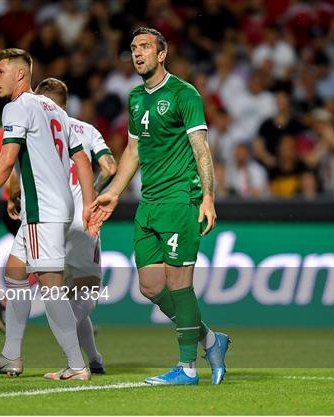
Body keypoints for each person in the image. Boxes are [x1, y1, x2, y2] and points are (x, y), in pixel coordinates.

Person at [88, 27, 231, 385]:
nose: (138, 53)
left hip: (180, 199)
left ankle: (186, 368)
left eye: (145, 47)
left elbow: (201, 149)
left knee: (179, 283)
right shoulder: (136, 98)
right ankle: (211, 340)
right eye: (134, 47)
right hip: (148, 202)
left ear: (162, 54)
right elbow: (133, 152)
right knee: (150, 286)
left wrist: (209, 196)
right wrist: (116, 192)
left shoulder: (185, 94)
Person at [0, 48, 95, 381]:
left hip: (44, 210)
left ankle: (77, 365)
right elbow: (81, 159)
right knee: (14, 272)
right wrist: (86, 203)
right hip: (52, 207)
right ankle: (11, 355)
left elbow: (7, 158)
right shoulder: (55, 108)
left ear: (20, 74)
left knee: (51, 286)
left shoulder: (17, 106)